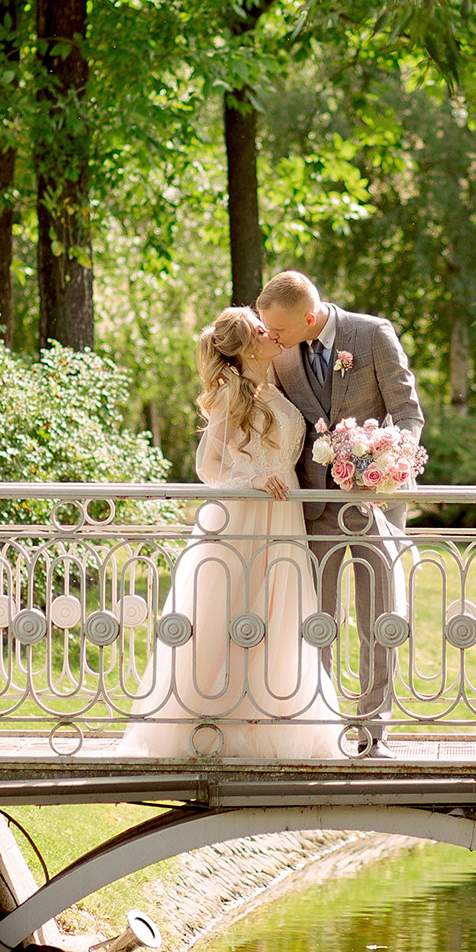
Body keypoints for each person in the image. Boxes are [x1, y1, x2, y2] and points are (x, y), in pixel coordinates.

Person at [122, 306, 343, 760]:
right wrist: (254, 480)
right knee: (235, 610)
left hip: (283, 517)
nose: (273, 334)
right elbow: (208, 467)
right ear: (245, 346)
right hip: (247, 515)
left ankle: (273, 718)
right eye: (263, 331)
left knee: (279, 613)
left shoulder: (276, 384)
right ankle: (217, 724)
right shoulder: (231, 394)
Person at [252, 270, 424, 757]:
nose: (273, 338)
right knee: (318, 620)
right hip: (313, 506)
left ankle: (374, 732)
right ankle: (322, 729)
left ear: (310, 317)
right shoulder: (282, 351)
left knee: (378, 617)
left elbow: (408, 413)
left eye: (280, 330)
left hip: (376, 504)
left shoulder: (372, 335)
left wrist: (390, 463)